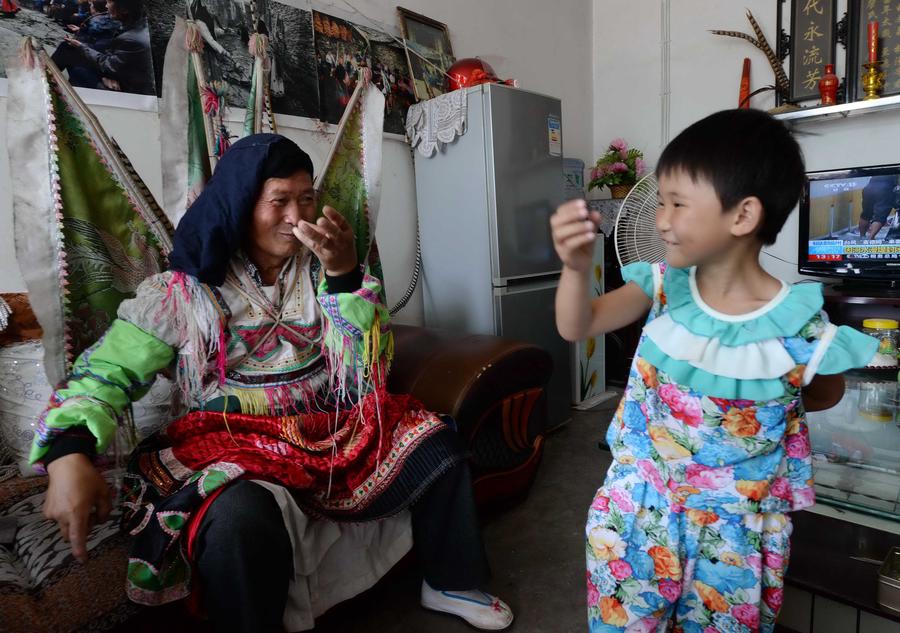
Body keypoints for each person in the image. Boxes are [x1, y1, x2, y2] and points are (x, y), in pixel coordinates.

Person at [32, 134, 514, 632]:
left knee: (435, 439)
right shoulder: (183, 291)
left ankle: (450, 580)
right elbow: (108, 371)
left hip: (325, 426)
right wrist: (68, 450)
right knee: (240, 516)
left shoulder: (323, 269)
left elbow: (365, 366)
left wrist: (345, 277)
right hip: (229, 438)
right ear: (242, 205)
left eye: (306, 198)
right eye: (278, 201)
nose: (296, 215)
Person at [550, 109, 878, 633]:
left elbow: (823, 394)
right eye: (660, 201)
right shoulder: (659, 286)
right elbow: (578, 324)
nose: (660, 219)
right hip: (637, 514)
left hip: (735, 540)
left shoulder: (798, 326)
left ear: (743, 215)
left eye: (677, 203)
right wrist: (572, 268)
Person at [50, 0, 154, 95]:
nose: (106, 6)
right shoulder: (134, 27)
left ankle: (51, 83)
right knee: (68, 47)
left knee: (75, 63)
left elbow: (108, 66)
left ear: (124, 10)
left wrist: (80, 46)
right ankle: (49, 77)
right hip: (118, 73)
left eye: (109, 2)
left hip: (126, 90)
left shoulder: (132, 38)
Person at [858, 175, 900, 240]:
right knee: (879, 218)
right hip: (885, 189)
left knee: (865, 214)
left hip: (869, 187)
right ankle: (870, 238)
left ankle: (862, 237)